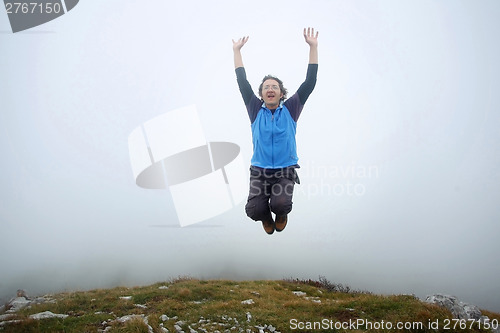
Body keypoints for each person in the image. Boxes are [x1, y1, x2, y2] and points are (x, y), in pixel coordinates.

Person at [232, 27, 319, 235]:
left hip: (284, 170)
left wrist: (313, 47)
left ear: (281, 94)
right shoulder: (255, 110)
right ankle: (265, 217)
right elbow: (242, 83)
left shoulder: (290, 109)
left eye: (275, 87)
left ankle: (280, 214)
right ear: (261, 94)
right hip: (259, 171)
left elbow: (310, 83)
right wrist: (237, 51)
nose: (270, 89)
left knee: (280, 204)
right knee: (254, 210)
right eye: (266, 87)